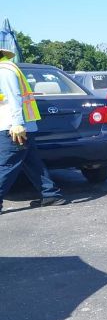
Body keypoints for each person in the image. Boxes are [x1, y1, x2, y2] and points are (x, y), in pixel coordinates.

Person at [0, 44, 65, 214]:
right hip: (20, 126)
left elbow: (14, 97)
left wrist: (17, 123)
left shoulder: (4, 70)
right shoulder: (6, 68)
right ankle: (51, 194)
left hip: (14, 128)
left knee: (5, 165)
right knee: (32, 164)